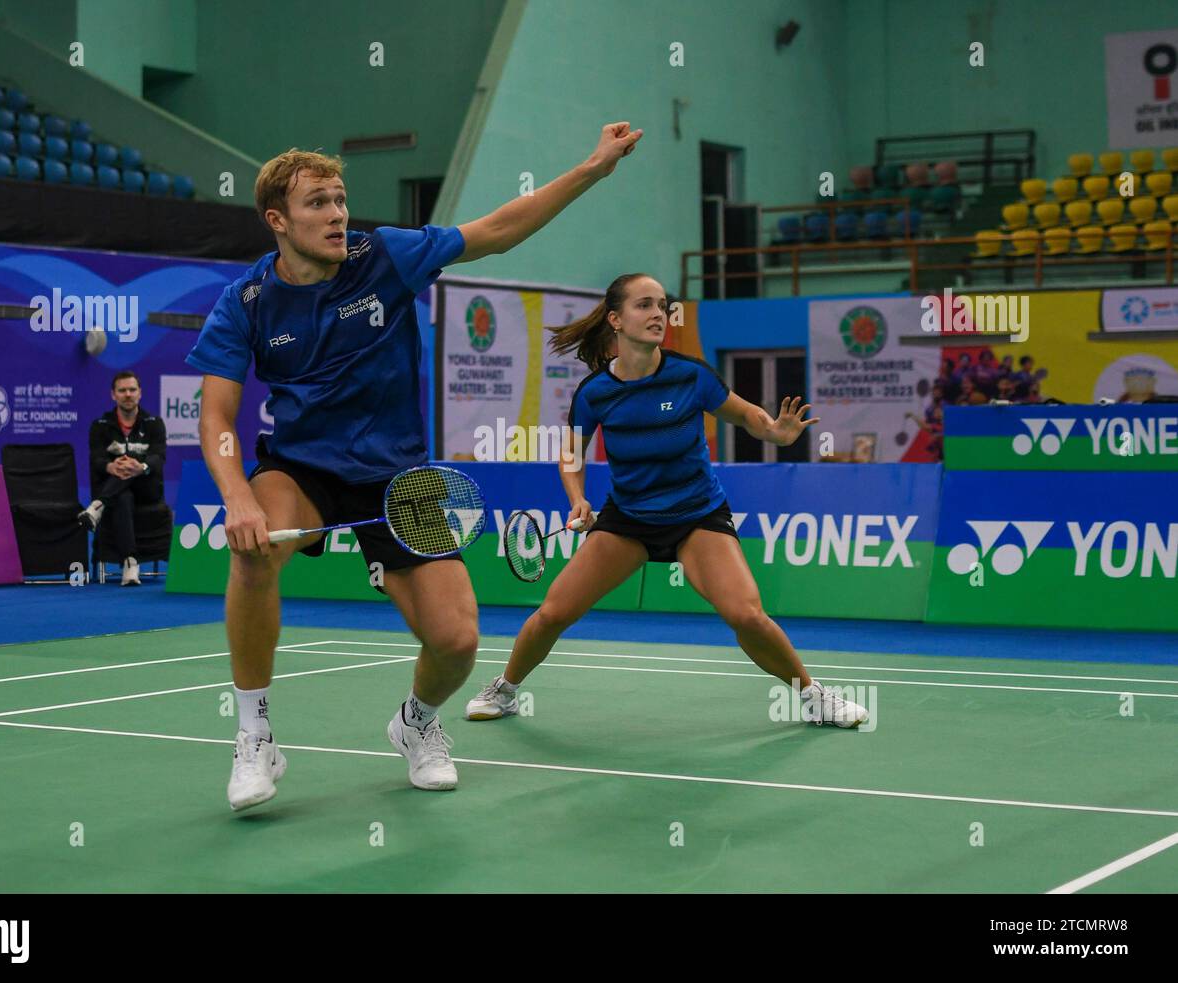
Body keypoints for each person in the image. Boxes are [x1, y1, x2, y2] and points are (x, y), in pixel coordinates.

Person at [186, 124, 644, 811]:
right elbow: (217, 418)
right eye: (318, 203)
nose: (338, 214)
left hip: (396, 472)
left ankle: (417, 723)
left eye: (341, 199)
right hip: (301, 469)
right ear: (278, 220)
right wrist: (237, 498)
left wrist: (592, 168)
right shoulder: (246, 303)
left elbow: (498, 229)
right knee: (251, 556)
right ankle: (255, 735)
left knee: (457, 639)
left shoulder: (387, 257)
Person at [464, 273, 868, 728]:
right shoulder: (595, 393)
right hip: (630, 518)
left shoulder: (689, 375)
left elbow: (746, 414)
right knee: (554, 611)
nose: (658, 314)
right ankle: (506, 689)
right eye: (644, 305)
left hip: (697, 515)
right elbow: (572, 454)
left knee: (747, 615)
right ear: (616, 319)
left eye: (661, 305)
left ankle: (814, 696)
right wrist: (577, 498)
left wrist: (774, 430)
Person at [78, 371, 167, 586]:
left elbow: (158, 456)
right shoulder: (100, 425)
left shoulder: (154, 423)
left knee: (134, 459)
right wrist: (110, 466)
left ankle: (97, 507)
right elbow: (96, 459)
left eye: (132, 390)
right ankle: (130, 562)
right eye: (122, 390)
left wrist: (140, 466)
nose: (128, 394)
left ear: (140, 393)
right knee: (123, 497)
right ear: (113, 395)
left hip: (147, 489)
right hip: (117, 489)